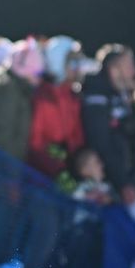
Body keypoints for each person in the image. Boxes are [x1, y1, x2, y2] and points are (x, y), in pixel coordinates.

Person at [80, 43, 135, 205]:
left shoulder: (122, 95)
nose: (134, 72)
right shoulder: (96, 96)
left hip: (124, 177)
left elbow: (132, 134)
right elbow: (101, 142)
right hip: (106, 182)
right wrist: (123, 183)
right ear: (114, 69)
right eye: (129, 66)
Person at [0, 36, 44, 161]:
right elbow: (1, 136)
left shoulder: (11, 85)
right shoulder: (7, 90)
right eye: (37, 73)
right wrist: (10, 173)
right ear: (25, 72)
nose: (39, 80)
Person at [28, 35, 84, 182]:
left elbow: (76, 138)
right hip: (44, 177)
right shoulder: (43, 98)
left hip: (68, 172)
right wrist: (59, 171)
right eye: (72, 63)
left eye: (78, 61)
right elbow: (36, 145)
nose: (78, 68)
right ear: (58, 63)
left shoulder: (73, 96)